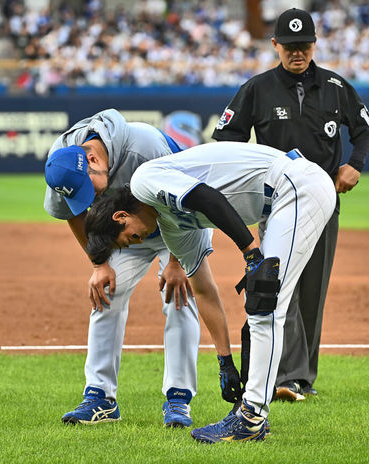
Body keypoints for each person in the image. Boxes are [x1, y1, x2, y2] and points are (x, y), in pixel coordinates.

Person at [84, 141, 336, 443]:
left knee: (265, 301)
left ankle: (251, 417)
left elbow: (207, 197)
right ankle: (250, 411)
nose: (135, 243)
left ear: (120, 217)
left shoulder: (143, 181)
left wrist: (251, 253)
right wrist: (224, 360)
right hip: (281, 200)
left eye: (126, 240)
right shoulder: (172, 228)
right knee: (259, 302)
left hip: (296, 185)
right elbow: (203, 291)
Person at [212, 7, 369, 401]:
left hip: (324, 201)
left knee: (312, 291)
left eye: (303, 46)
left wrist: (354, 164)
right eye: (289, 47)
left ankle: (301, 378)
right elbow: (225, 139)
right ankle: (285, 376)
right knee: (279, 283)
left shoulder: (337, 86)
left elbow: (365, 127)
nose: (296, 53)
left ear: (315, 44)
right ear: (275, 46)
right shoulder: (257, 87)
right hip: (277, 203)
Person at [43, 109, 239, 427]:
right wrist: (99, 263)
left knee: (180, 296)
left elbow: (189, 201)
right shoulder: (62, 161)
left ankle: (178, 399)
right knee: (107, 291)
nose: (88, 197)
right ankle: (100, 398)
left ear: (93, 159)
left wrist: (176, 263)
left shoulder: (144, 148)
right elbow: (74, 215)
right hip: (126, 231)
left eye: (87, 188)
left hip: (180, 220)